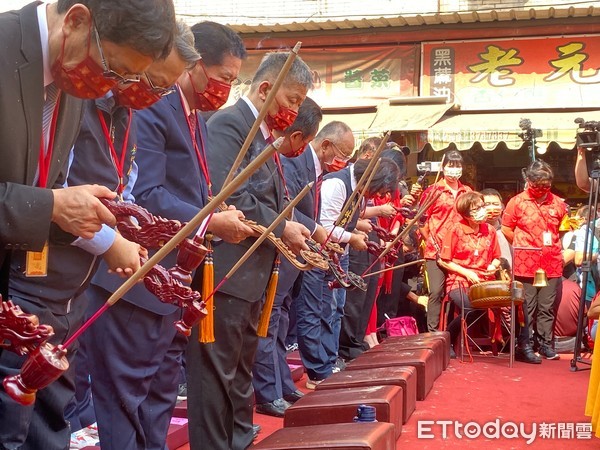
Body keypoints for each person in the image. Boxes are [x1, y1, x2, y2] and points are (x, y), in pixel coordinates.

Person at [84, 21, 252, 450]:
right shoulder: (157, 104)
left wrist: (213, 208)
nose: (226, 89)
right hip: (135, 273)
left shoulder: (192, 113)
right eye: (224, 78)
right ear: (194, 66)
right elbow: (147, 194)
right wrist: (209, 221)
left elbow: (187, 189)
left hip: (171, 282)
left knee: (159, 395)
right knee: (125, 402)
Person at [0, 0, 176, 297]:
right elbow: (44, 200)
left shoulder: (70, 76)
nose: (110, 88)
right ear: (76, 21)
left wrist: (77, 212)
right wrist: (52, 206)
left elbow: (44, 186)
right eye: (112, 71)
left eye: (127, 78)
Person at [185, 51, 313, 450]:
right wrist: (284, 225)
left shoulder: (261, 136)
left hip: (253, 274)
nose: (294, 111)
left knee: (240, 370)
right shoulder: (229, 126)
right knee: (214, 375)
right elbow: (230, 196)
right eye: (291, 100)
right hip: (225, 270)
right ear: (264, 89)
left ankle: (238, 437)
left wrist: (292, 226)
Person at [252, 97, 324, 418]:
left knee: (280, 320)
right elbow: (285, 206)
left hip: (293, 247)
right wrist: (314, 230)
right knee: (268, 320)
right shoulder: (282, 151)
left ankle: (280, 383)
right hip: (278, 245)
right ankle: (268, 391)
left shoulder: (298, 154)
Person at [502, 159, 568, 362]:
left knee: (546, 305)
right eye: (536, 184)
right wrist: (523, 246)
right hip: (525, 263)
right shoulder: (517, 202)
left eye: (545, 185)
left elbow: (562, 230)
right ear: (528, 181)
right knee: (527, 306)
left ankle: (545, 344)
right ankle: (525, 344)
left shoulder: (559, 203)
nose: (541, 189)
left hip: (551, 262)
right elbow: (506, 228)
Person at [438, 191, 502, 351]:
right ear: (465, 214)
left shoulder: (490, 230)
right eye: (475, 210)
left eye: (482, 207)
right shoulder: (455, 230)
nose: (481, 211)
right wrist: (467, 273)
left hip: (485, 281)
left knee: (515, 302)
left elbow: (496, 258)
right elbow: (445, 260)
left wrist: (493, 266)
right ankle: (447, 339)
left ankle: (514, 344)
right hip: (459, 281)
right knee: (470, 307)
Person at [419, 150, 472, 332]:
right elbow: (421, 221)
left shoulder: (467, 192)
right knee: (436, 292)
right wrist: (431, 240)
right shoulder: (433, 191)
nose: (454, 170)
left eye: (457, 166)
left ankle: (451, 333)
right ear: (443, 167)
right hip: (436, 250)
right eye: (450, 165)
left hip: (460, 252)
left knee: (458, 294)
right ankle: (433, 332)